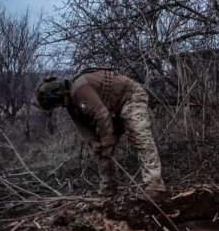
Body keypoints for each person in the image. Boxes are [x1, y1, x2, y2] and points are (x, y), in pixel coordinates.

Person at [35, 67, 165, 201]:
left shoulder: (79, 89)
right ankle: (108, 188)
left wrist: (107, 142)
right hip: (112, 111)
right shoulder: (71, 103)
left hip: (130, 97)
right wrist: (93, 142)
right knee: (100, 149)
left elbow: (101, 115)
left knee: (140, 138)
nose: (59, 106)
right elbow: (83, 127)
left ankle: (154, 187)